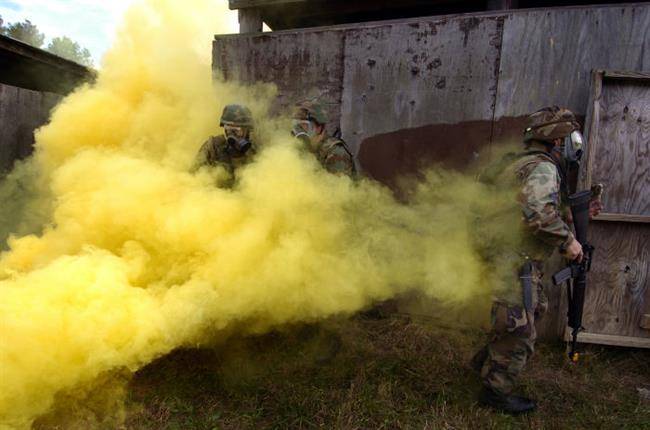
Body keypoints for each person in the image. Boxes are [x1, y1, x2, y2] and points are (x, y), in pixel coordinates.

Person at [472, 106, 602, 414]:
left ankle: (484, 364)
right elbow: (537, 215)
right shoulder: (543, 168)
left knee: (525, 314)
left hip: (506, 254)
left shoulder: (520, 163)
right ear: (558, 141)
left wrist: (567, 215)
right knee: (520, 330)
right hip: (515, 260)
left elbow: (520, 209)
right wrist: (569, 241)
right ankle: (495, 391)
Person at [193, 104, 257, 187]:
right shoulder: (212, 146)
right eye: (228, 129)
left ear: (247, 130)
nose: (231, 134)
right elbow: (193, 177)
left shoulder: (256, 149)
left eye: (237, 130)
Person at [291, 99, 355, 176]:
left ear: (319, 128)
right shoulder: (301, 149)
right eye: (295, 125)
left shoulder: (336, 152)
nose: (298, 130)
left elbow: (340, 186)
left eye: (303, 125)